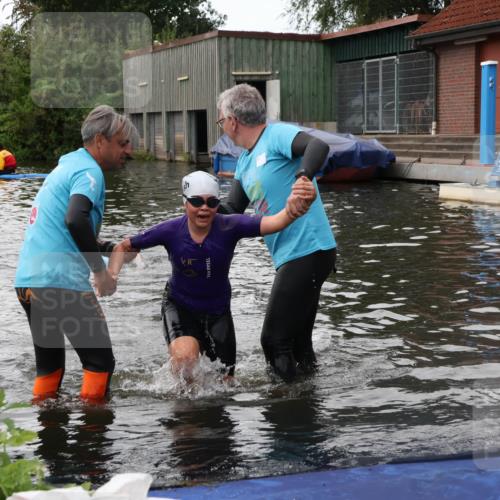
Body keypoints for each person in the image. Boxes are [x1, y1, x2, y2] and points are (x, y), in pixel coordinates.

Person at [108, 170, 315, 380]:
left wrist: (293, 210)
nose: (204, 208)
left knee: (225, 381)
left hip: (218, 312)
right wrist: (112, 276)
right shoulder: (169, 230)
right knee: (185, 361)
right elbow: (124, 246)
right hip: (180, 306)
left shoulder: (230, 226)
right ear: (185, 203)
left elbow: (274, 223)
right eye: (196, 201)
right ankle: (183, 406)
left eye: (211, 202)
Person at [14, 105, 137, 401]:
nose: (129, 151)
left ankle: (49, 439)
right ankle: (91, 441)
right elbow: (75, 219)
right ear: (100, 141)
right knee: (100, 364)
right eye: (122, 143)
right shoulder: (89, 171)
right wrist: (101, 273)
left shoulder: (66, 166)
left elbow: (65, 230)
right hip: (62, 282)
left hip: (30, 282)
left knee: (50, 369)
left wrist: (109, 248)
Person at [216, 83, 337, 382]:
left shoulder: (275, 135)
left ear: (232, 120)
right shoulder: (243, 161)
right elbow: (232, 208)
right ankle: (308, 400)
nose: (221, 126)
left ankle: (287, 406)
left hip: (309, 250)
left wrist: (303, 176)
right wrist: (200, 208)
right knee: (297, 343)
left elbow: (317, 147)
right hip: (293, 255)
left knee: (273, 341)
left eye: (220, 120)